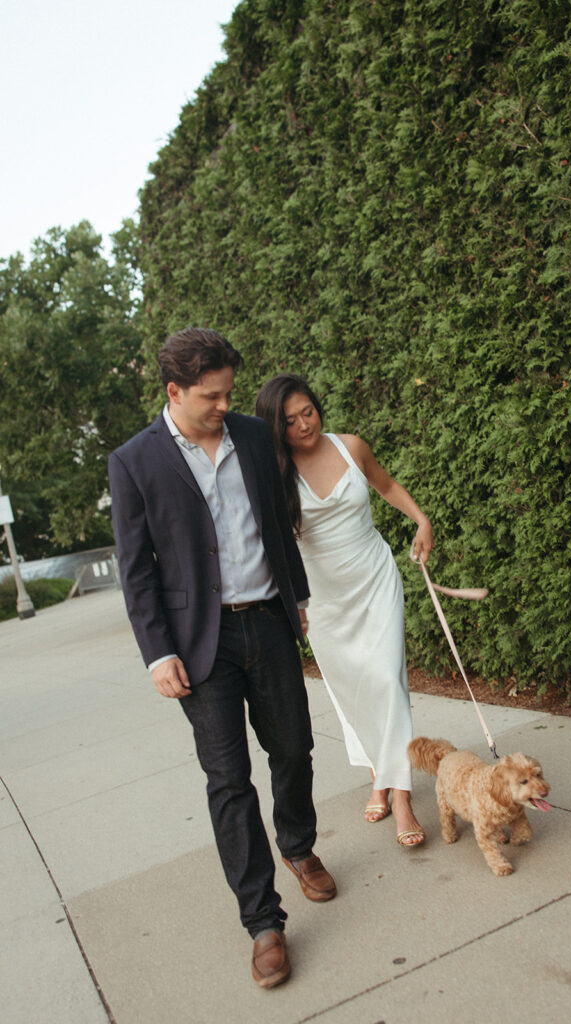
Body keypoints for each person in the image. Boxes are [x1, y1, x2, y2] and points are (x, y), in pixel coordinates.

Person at [108, 329, 336, 990]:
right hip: (198, 644)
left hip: (265, 621)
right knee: (228, 780)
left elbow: (273, 518)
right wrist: (157, 653)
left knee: (293, 749)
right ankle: (263, 923)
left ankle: (297, 844)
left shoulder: (251, 436)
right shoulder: (133, 462)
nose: (223, 404)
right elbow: (136, 570)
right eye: (211, 395)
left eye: (229, 392)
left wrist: (295, 596)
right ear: (174, 391)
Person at [255, 373, 433, 847]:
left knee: (385, 682)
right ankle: (380, 774)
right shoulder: (275, 473)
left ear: (318, 406)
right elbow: (269, 543)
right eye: (290, 421)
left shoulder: (351, 446)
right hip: (323, 600)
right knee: (352, 692)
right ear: (276, 427)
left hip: (374, 580)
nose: (304, 425)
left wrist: (421, 521)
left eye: (308, 411)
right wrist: (290, 602)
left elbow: (387, 484)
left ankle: (401, 798)